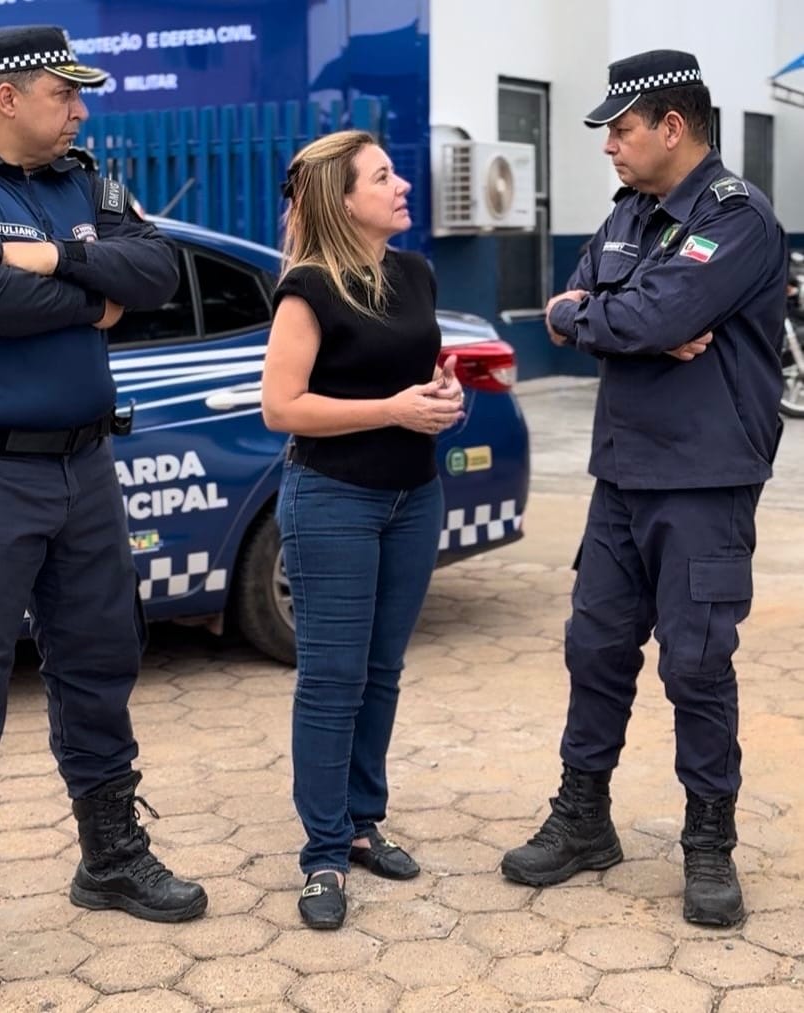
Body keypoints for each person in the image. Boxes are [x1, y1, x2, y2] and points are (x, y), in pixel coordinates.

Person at [0, 25, 207, 1009]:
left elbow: (158, 272)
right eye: (64, 95)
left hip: (86, 470)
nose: (81, 110)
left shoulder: (82, 179)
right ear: (6, 98)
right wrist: (92, 296)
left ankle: (111, 855)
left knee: (98, 663)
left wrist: (58, 253)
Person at [500, 49, 786, 928]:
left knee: (696, 665)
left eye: (620, 130)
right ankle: (582, 817)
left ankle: (709, 842)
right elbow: (580, 309)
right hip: (619, 474)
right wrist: (593, 316)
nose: (608, 148)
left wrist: (613, 318)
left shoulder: (735, 219)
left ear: (672, 127)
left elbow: (650, 315)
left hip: (702, 478)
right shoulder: (630, 215)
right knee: (595, 651)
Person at [261, 130, 463, 930]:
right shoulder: (308, 288)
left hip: (413, 494)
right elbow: (282, 406)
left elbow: (420, 377)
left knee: (380, 670)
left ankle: (362, 821)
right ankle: (321, 851)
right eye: (383, 176)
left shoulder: (413, 272)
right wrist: (393, 410)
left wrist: (443, 398)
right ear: (342, 201)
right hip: (333, 498)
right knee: (331, 678)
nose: (403, 184)